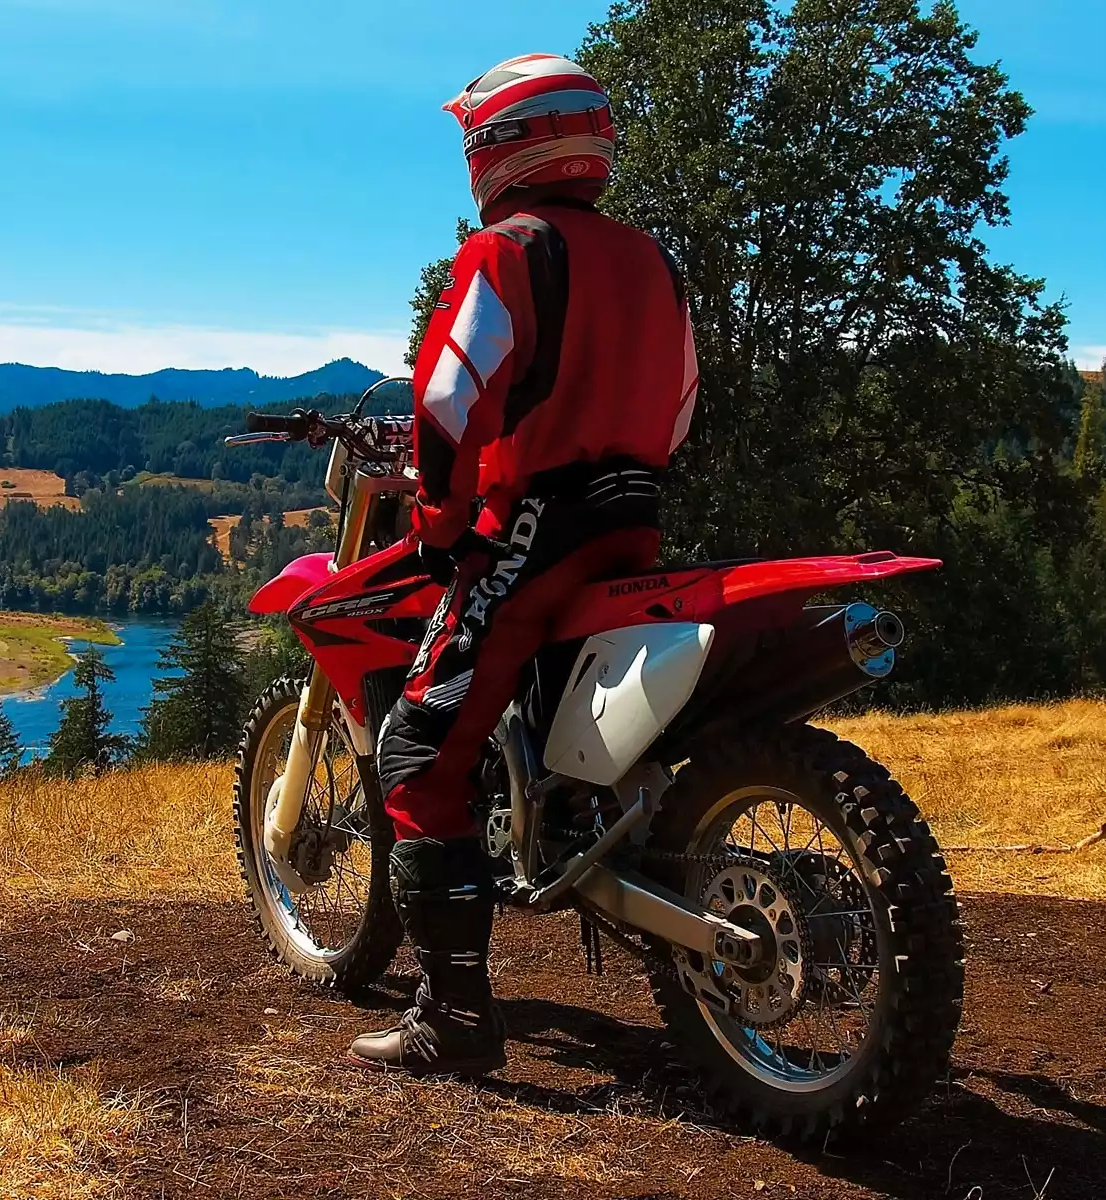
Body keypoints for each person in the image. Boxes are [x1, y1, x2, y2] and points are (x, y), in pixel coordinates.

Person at [348, 53, 699, 1076]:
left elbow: (447, 399)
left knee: (417, 751)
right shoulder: (652, 260)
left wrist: (444, 518)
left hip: (537, 525)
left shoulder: (506, 251)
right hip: (632, 518)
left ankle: (454, 1018)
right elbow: (680, 408)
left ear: (500, 146)